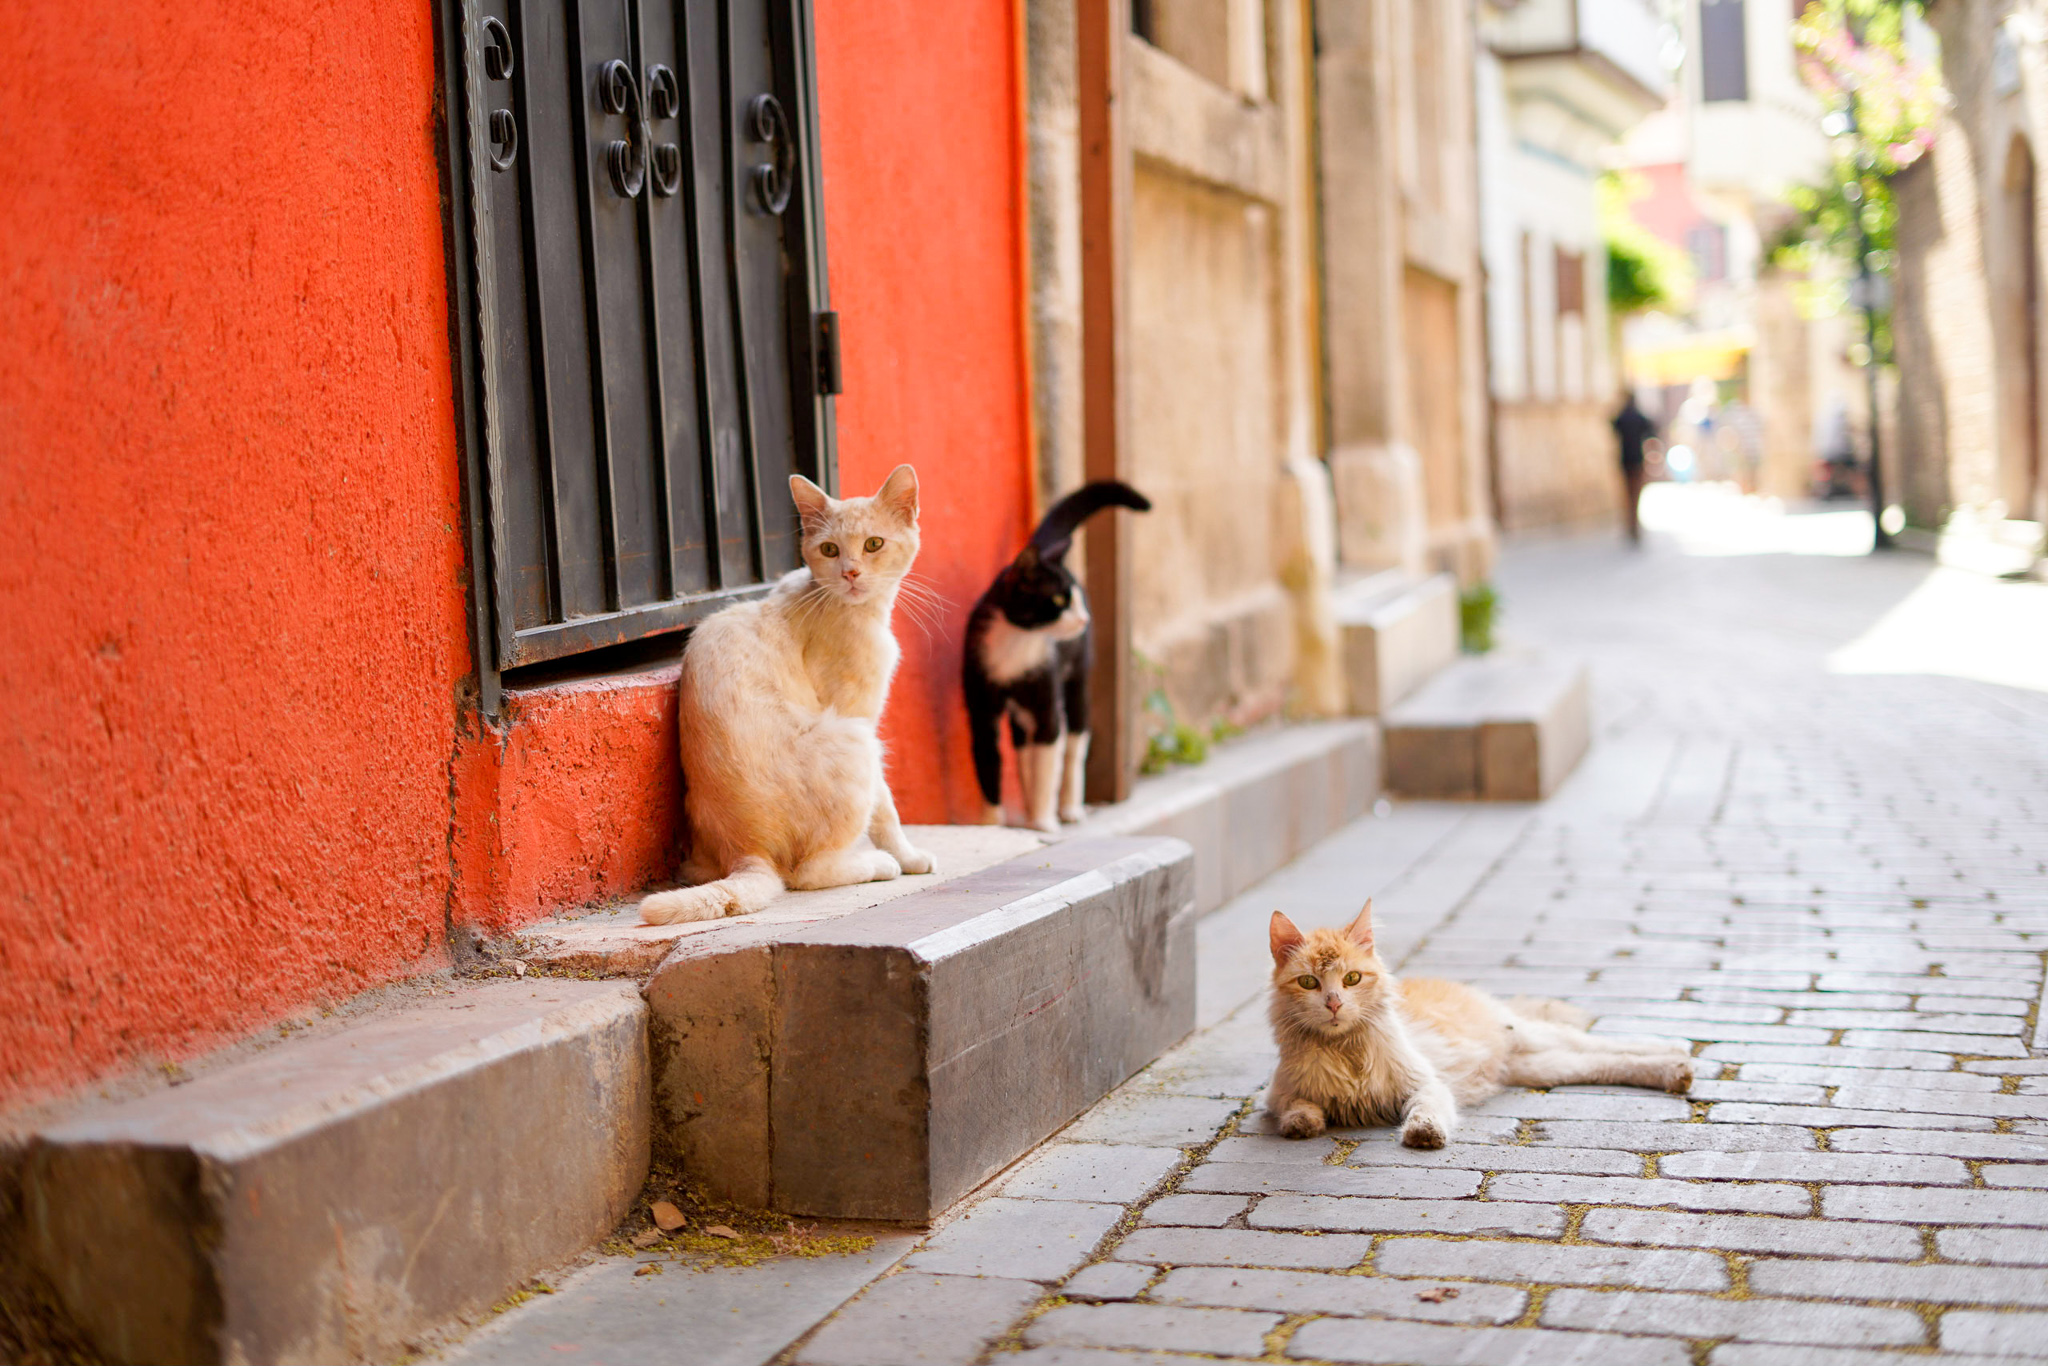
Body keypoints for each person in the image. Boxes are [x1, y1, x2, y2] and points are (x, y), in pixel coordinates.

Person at [1612, 391, 1655, 542]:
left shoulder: (1622, 417)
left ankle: (1630, 524)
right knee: (1635, 493)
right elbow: (1651, 430)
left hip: (1625, 461)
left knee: (1627, 493)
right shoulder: (1639, 417)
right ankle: (1633, 524)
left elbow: (1612, 426)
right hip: (1637, 460)